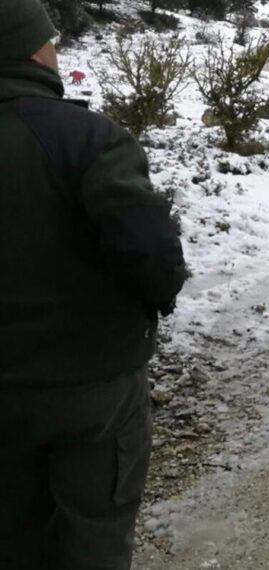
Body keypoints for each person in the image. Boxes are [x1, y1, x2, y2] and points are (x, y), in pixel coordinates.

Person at [0, 0, 188, 568]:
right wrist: (158, 298)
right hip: (92, 386)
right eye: (50, 39)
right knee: (95, 532)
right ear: (30, 48)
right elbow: (150, 251)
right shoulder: (89, 139)